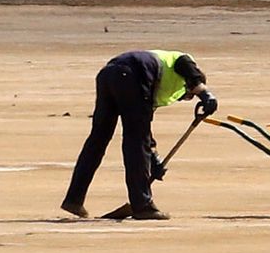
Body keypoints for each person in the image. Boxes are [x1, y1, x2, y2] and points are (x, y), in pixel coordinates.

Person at [61, 49, 217, 220]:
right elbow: (188, 69)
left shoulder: (157, 84)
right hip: (133, 74)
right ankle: (142, 205)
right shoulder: (183, 63)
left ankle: (74, 199)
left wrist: (153, 157)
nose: (182, 98)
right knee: (135, 142)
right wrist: (206, 95)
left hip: (108, 74)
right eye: (187, 96)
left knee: (98, 139)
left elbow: (144, 129)